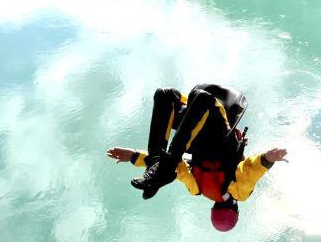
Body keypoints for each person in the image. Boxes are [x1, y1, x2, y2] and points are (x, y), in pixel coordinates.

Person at [107, 83, 287, 232]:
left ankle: (159, 164)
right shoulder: (197, 189)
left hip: (216, 135)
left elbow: (249, 171)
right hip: (197, 136)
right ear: (213, 209)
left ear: (235, 209)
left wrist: (267, 159)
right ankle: (157, 164)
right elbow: (181, 169)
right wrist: (133, 157)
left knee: (191, 98)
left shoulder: (237, 193)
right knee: (166, 95)